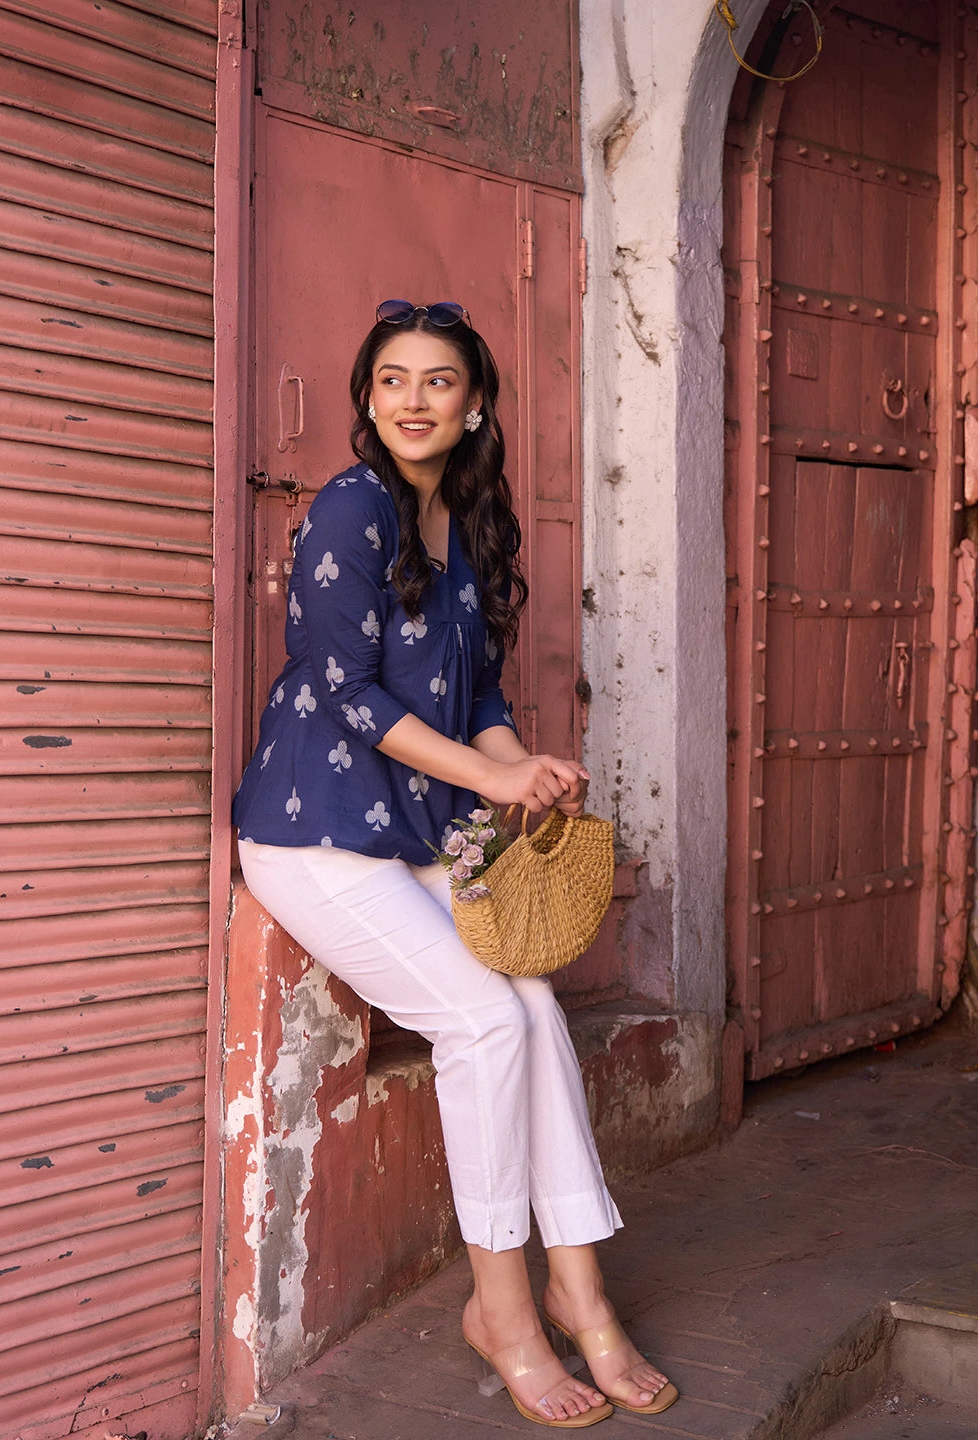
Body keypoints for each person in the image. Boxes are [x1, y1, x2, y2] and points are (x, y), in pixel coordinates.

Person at [233, 299, 678, 1428]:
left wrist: (522, 765)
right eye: (392, 379)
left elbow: (476, 695)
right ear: (367, 398)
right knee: (480, 1023)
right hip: (317, 828)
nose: (413, 400)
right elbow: (345, 692)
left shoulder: (468, 519)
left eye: (438, 381)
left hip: (413, 823)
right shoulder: (351, 510)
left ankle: (581, 1292)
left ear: (474, 402)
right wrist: (489, 785)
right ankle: (505, 1312)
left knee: (528, 1007)